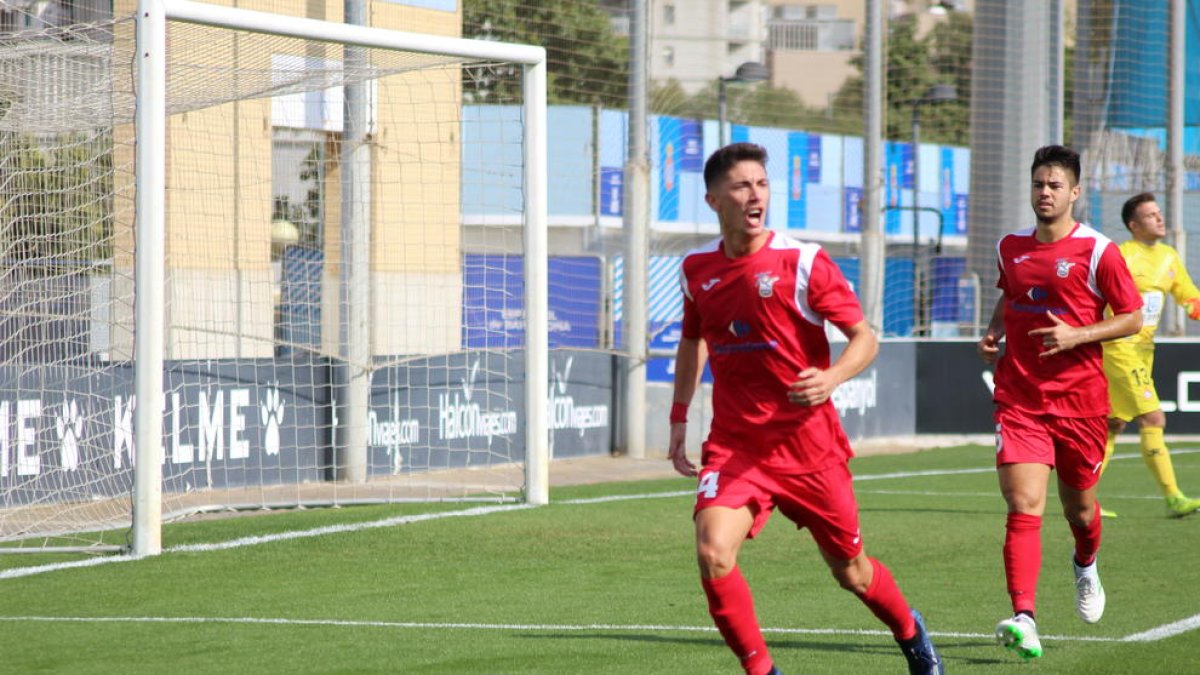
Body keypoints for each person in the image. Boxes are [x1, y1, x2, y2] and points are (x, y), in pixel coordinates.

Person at [667, 142, 943, 675]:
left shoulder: (803, 261)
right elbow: (691, 341)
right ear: (713, 199)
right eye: (742, 185)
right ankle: (762, 671)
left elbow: (865, 338)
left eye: (763, 184)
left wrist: (833, 377)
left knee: (852, 572)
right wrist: (679, 418)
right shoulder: (695, 268)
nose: (756, 195)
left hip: (809, 448)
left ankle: (910, 634)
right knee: (712, 551)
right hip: (735, 447)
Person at [976, 145, 1143, 661]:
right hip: (1020, 397)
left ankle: (1085, 564)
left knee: (1080, 508)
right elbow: (1013, 291)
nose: (1044, 193)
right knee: (1024, 504)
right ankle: (1024, 616)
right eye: (1038, 184)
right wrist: (994, 326)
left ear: (1074, 192)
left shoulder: (1098, 251)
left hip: (1081, 403)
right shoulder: (1009, 246)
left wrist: (1078, 335)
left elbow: (1133, 316)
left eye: (1054, 186)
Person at [1099, 192, 1200, 518]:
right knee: (1153, 417)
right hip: (1119, 348)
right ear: (1134, 225)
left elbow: (1188, 297)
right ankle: (1173, 497)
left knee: (1113, 424)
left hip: (1144, 351)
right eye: (1150, 215)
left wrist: (1194, 306)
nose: (1160, 219)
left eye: (1159, 213)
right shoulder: (1121, 255)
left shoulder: (1169, 257)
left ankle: (1082, 500)